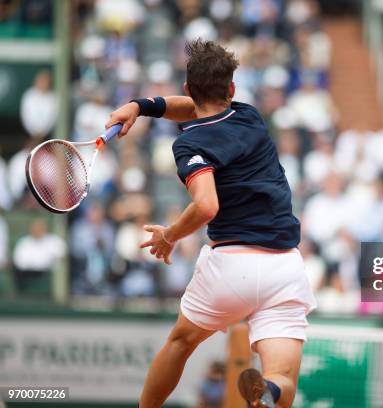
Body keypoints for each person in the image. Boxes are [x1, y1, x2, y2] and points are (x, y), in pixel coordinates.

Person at [106, 40, 316, 408]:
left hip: (230, 268)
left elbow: (206, 206)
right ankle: (268, 392)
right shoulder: (250, 116)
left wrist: (170, 236)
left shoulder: (190, 142)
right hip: (284, 267)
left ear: (188, 88)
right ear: (231, 90)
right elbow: (193, 106)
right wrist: (140, 106)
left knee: (181, 342)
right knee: (282, 378)